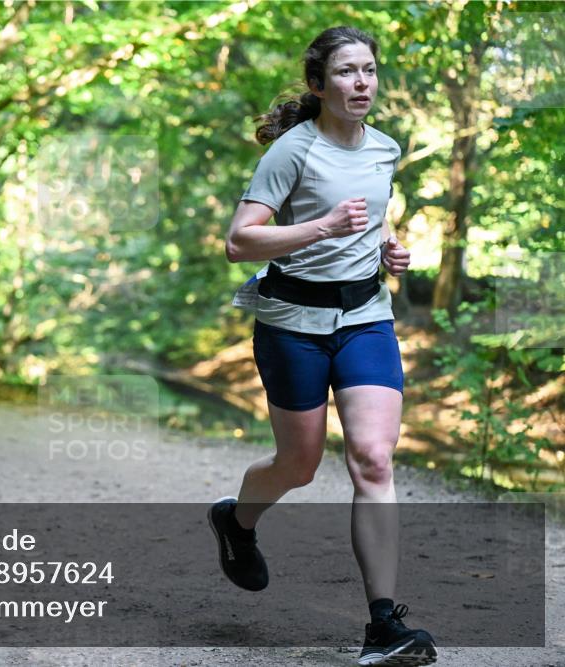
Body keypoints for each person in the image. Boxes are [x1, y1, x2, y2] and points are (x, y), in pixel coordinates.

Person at [214, 26, 438, 666]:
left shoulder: (385, 149)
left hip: (366, 315)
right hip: (291, 321)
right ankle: (236, 521)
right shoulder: (293, 150)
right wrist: (322, 227)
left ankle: (382, 626)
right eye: (346, 72)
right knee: (299, 465)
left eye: (368, 70)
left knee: (373, 458)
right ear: (319, 85)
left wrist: (388, 251)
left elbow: (370, 220)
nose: (361, 83)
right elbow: (241, 241)